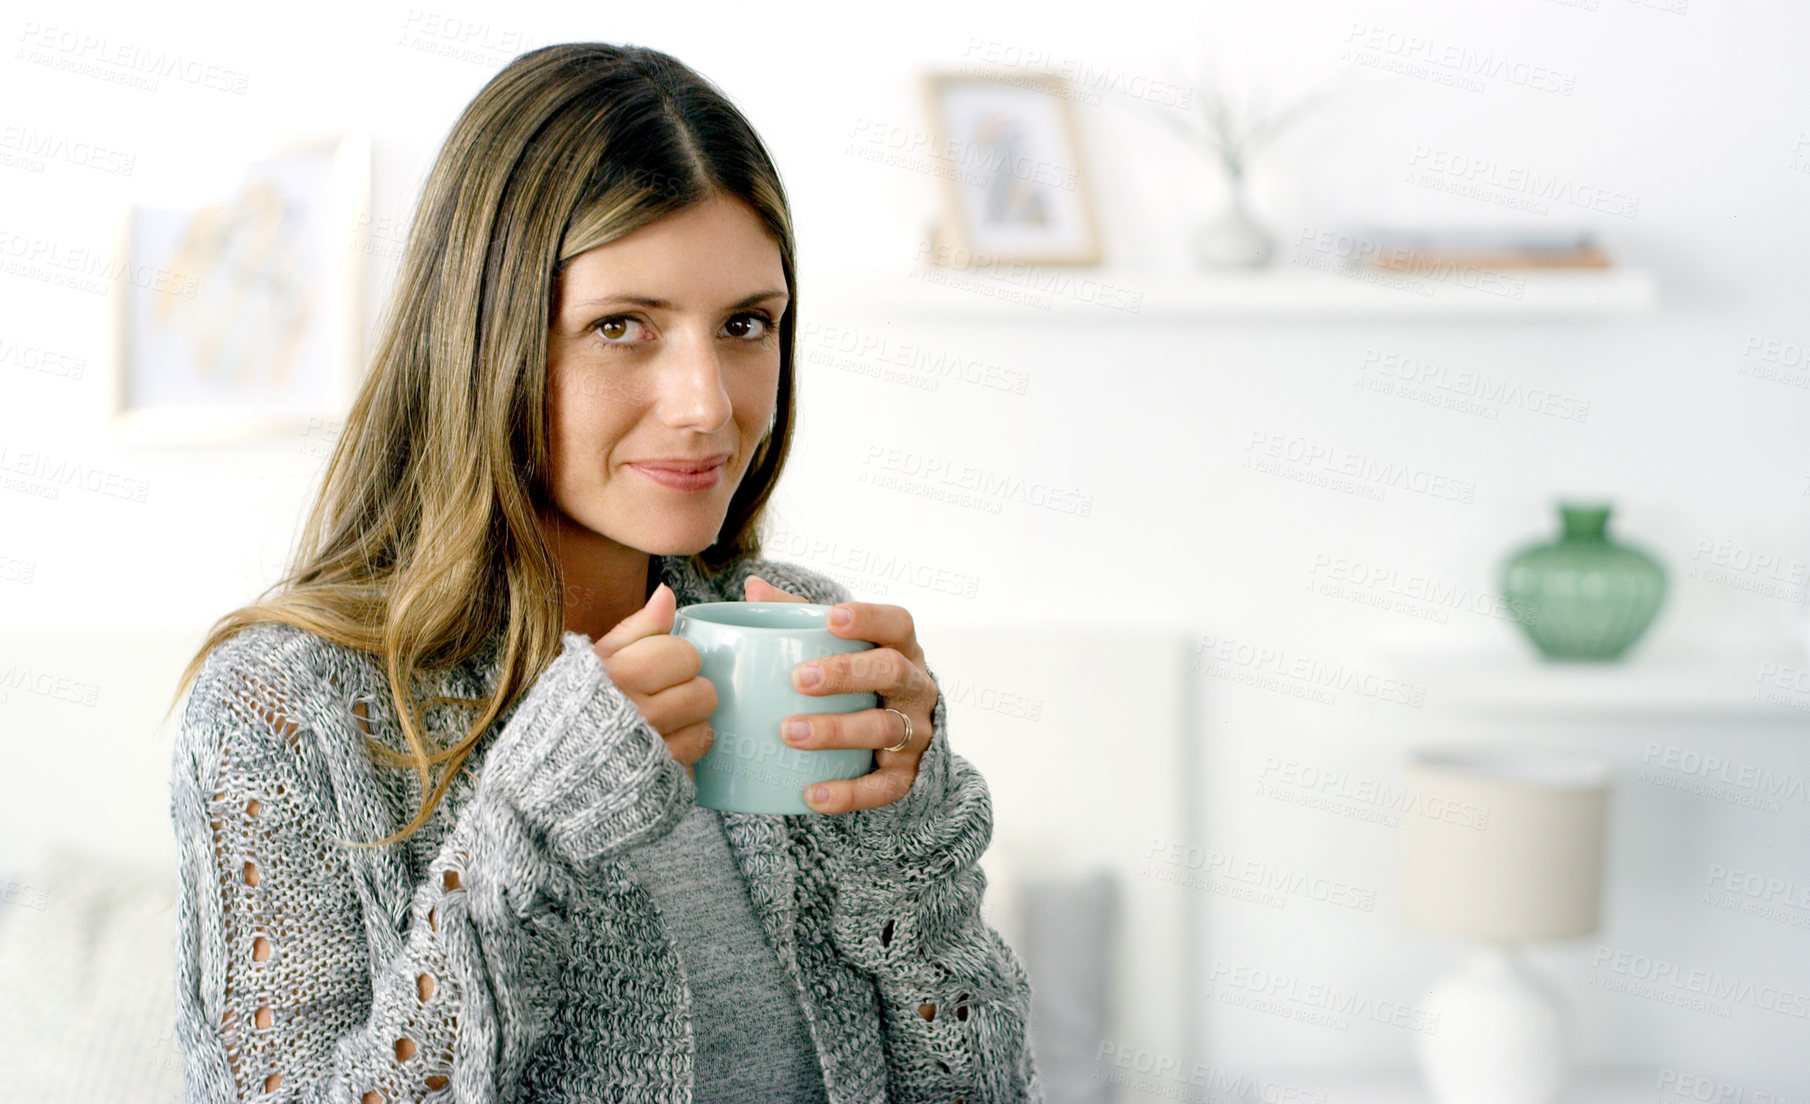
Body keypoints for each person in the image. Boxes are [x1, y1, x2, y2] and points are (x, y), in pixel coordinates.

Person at [163, 41, 1042, 1104]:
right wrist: (526, 834)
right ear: (482, 337)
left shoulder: (800, 631)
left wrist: (904, 840)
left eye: (746, 325)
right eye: (621, 327)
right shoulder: (282, 710)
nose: (707, 403)